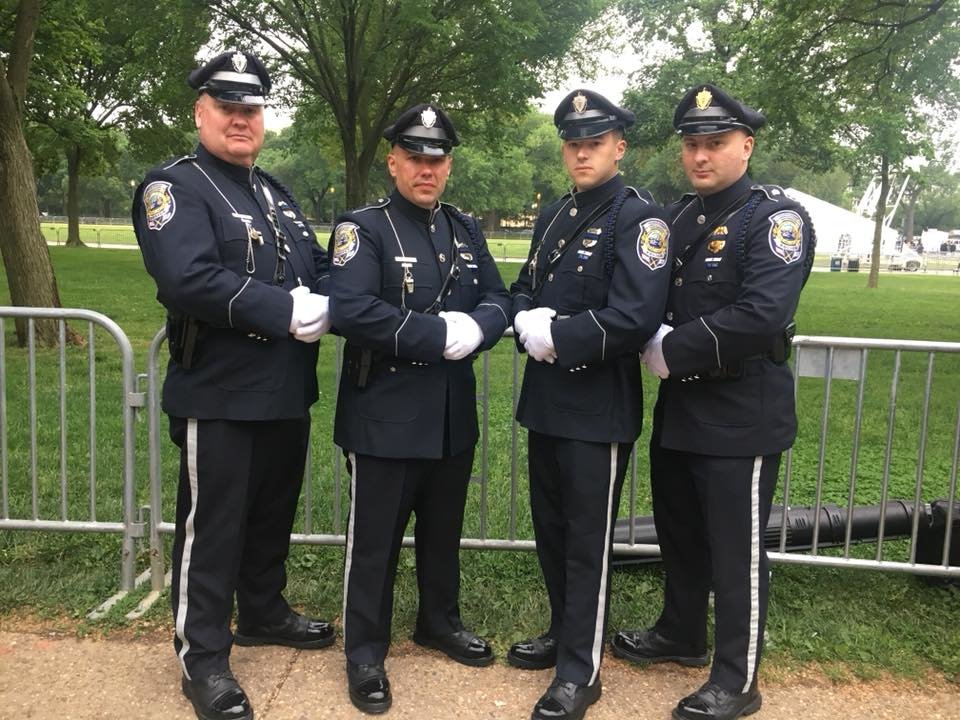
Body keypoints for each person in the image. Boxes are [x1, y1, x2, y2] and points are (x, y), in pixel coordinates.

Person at [133, 51, 335, 720]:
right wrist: (285, 310)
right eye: (227, 106)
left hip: (283, 388)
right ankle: (203, 656)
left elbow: (314, 264)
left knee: (271, 513)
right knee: (213, 526)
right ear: (201, 111)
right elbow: (188, 279)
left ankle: (265, 610)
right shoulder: (176, 188)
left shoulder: (273, 192)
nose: (241, 119)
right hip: (218, 391)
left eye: (251, 108)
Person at [611, 84, 815, 720]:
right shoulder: (679, 219)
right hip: (682, 411)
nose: (701, 156)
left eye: (715, 143)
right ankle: (681, 633)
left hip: (740, 412)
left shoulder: (774, 219)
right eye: (692, 144)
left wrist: (676, 350)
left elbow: (762, 314)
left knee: (735, 550)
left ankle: (738, 677)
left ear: (746, 146)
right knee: (681, 536)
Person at [328, 103, 510, 714]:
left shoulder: (463, 228)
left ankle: (438, 621)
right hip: (383, 412)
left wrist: (479, 327)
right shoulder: (365, 227)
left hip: (450, 414)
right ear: (394, 161)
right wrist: (436, 335)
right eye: (415, 157)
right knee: (374, 541)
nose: (426, 169)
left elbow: (499, 297)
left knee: (442, 533)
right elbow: (351, 310)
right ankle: (364, 652)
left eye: (436, 159)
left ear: (448, 165)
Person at [507, 89, 672, 720]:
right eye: (573, 142)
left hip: (597, 406)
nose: (581, 151)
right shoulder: (553, 215)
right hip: (547, 402)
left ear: (618, 147)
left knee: (587, 539)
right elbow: (526, 286)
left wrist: (560, 335)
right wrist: (526, 319)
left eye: (594, 142)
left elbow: (634, 315)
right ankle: (564, 632)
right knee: (552, 531)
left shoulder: (640, 219)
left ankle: (582, 669)